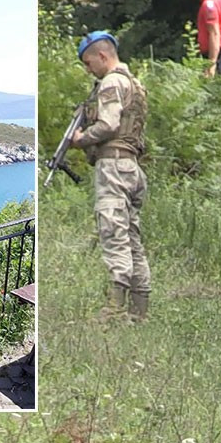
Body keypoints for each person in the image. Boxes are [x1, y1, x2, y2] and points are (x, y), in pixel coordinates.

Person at [71, 31, 151, 321]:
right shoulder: (135, 84)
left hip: (114, 167)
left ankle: (114, 310)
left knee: (113, 233)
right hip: (132, 167)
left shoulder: (111, 82)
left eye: (89, 62)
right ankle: (139, 312)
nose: (88, 68)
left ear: (103, 56)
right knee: (132, 238)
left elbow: (108, 124)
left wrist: (80, 139)